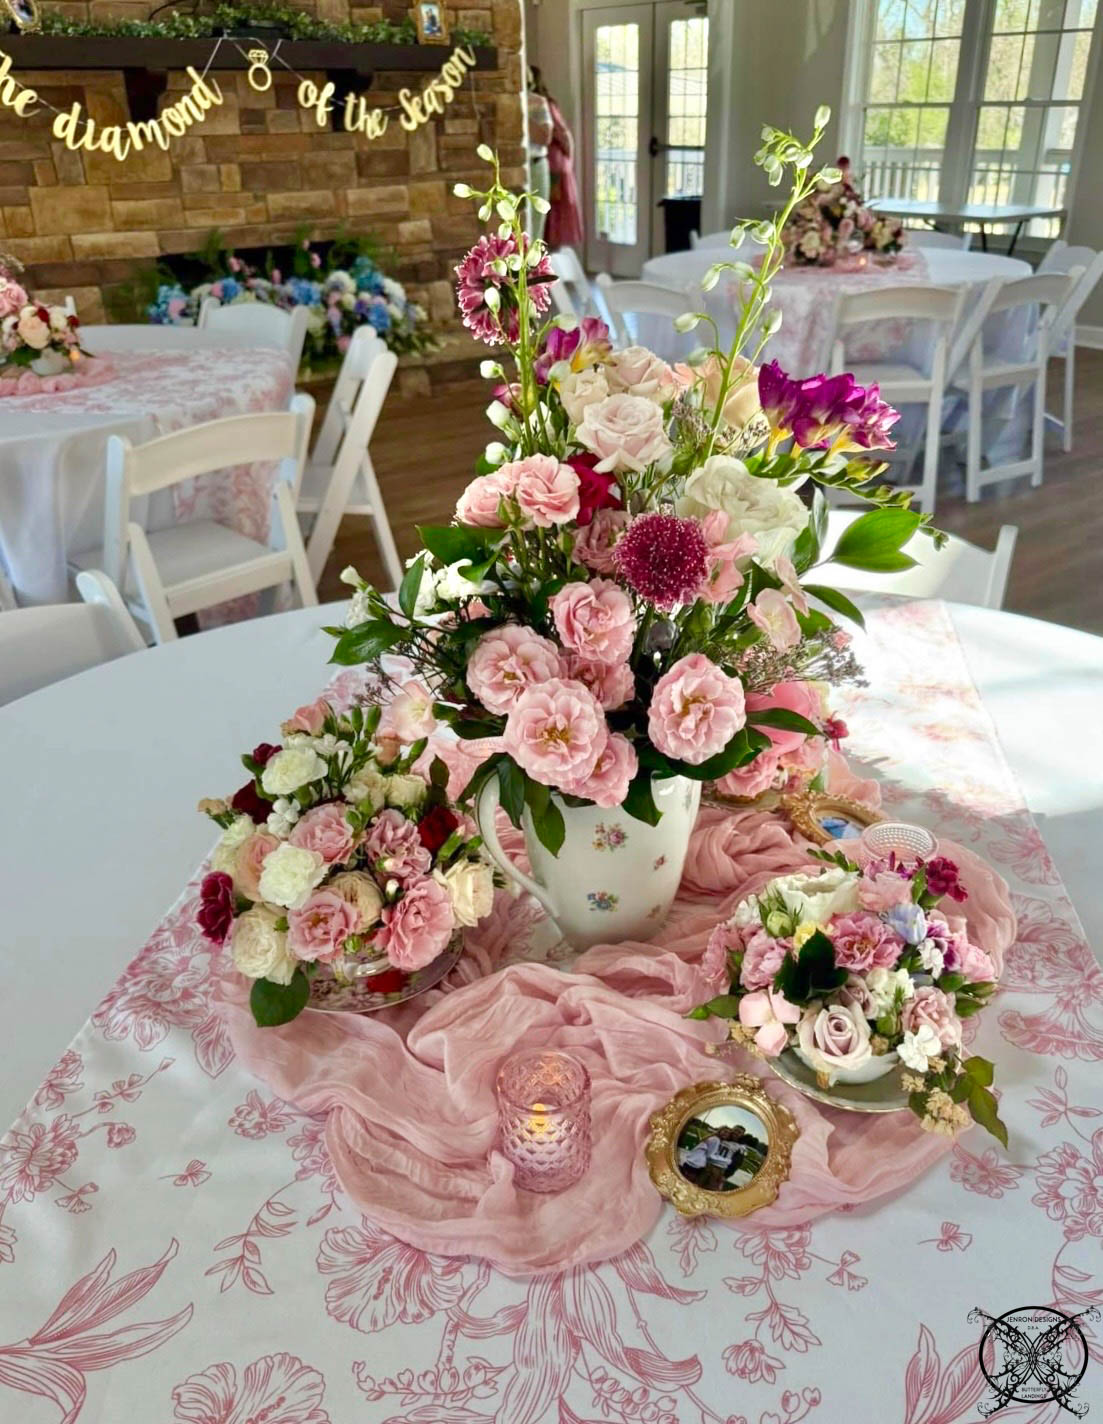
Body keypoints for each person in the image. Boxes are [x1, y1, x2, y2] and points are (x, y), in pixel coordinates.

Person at [531, 67, 584, 250]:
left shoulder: (544, 105)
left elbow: (564, 135)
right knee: (549, 212)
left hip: (553, 164)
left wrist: (568, 162)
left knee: (551, 212)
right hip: (555, 164)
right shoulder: (543, 104)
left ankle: (552, 256)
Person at [526, 68, 553, 243]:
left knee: (535, 228)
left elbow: (545, 137)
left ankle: (533, 260)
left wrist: (521, 114)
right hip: (508, 170)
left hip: (535, 166)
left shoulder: (538, 102)